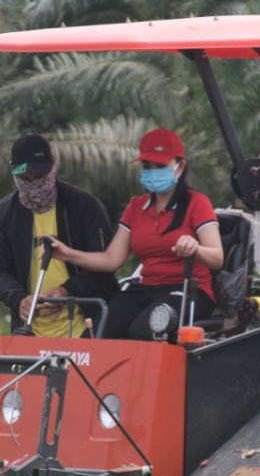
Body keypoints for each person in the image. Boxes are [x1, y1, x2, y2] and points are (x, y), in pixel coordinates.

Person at [46, 128, 223, 340]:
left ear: (180, 167)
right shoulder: (136, 206)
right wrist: (67, 254)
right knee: (96, 334)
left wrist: (196, 248)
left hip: (188, 290)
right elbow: (111, 260)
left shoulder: (197, 202)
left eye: (160, 166)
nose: (153, 172)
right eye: (147, 167)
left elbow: (217, 258)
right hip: (146, 288)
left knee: (143, 331)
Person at [0, 133, 118, 337]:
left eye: (39, 178)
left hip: (88, 323)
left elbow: (104, 265)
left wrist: (66, 291)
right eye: (24, 179)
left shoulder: (85, 206)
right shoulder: (1, 215)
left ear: (54, 168)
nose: (33, 185)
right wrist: (19, 299)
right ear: (13, 175)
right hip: (29, 328)